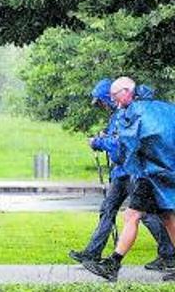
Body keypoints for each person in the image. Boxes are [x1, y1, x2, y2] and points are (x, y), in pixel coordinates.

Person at [68, 79, 175, 271]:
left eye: (115, 98)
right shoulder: (157, 108)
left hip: (141, 172)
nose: (114, 103)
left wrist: (99, 143)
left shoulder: (134, 112)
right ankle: (100, 256)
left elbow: (123, 147)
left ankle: (115, 263)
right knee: (155, 215)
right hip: (149, 171)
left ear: (127, 93)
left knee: (140, 215)